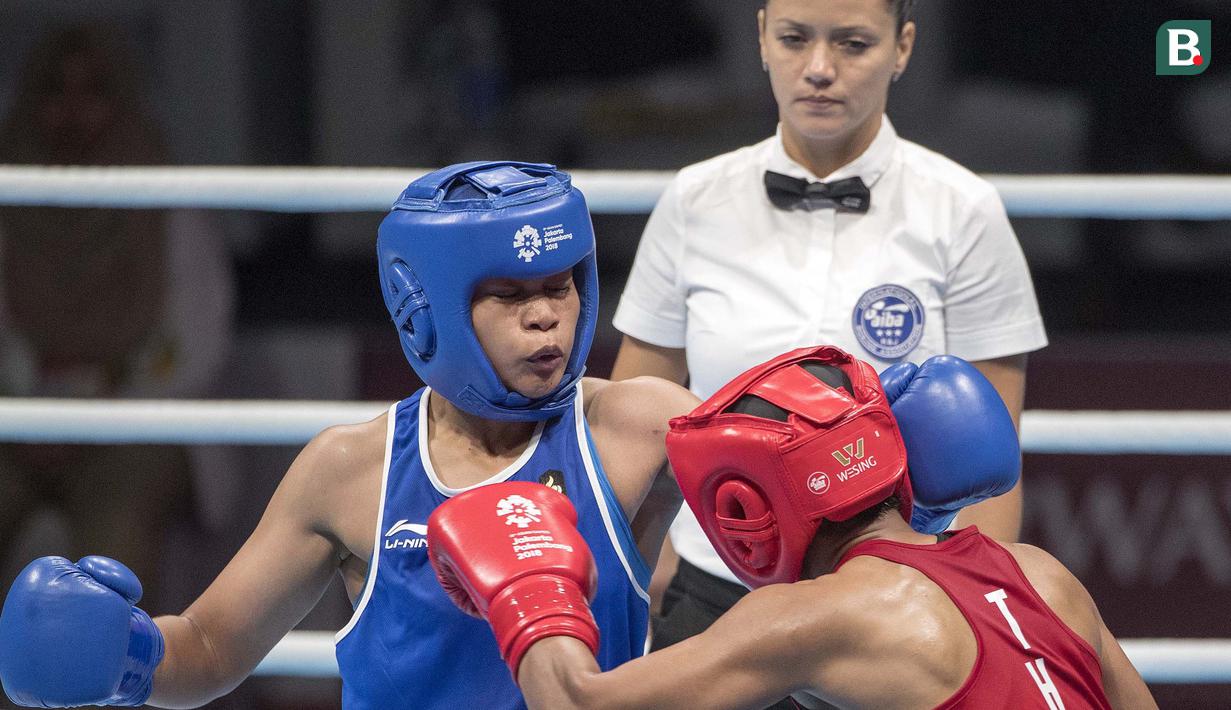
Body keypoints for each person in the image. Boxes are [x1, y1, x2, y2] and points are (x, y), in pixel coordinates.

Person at [0, 161, 700, 709]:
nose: (545, 316)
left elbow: (770, 573)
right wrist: (127, 656)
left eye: (558, 286)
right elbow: (209, 648)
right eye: (509, 294)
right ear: (427, 309)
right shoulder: (350, 470)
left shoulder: (635, 427)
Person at [609, 0, 1050, 674]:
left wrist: (977, 614)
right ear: (762, 37)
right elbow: (632, 412)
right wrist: (639, 569)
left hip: (899, 597)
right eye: (794, 38)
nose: (818, 68)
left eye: (852, 43)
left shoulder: (963, 210)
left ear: (902, 47)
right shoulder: (694, 202)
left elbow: (991, 461)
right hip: (714, 588)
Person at [428, 346, 1156, 709]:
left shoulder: (812, 616)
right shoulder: (1038, 572)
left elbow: (578, 702)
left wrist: (529, 590)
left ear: (749, 507)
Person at [0, 25, 235, 610]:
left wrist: (96, 407)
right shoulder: (10, 191)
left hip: (141, 420)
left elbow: (195, 343)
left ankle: (111, 667)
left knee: (115, 529)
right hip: (18, 427)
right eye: (56, 91)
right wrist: (31, 411)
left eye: (94, 92)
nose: (73, 113)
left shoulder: (164, 199)